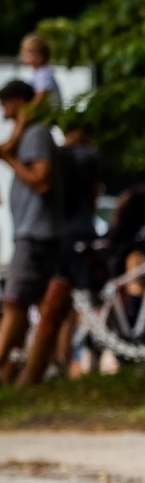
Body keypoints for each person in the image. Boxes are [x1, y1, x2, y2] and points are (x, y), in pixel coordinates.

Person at [0, 80, 61, 385]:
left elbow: (41, 180)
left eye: (7, 104)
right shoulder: (28, 134)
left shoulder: (36, 135)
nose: (4, 111)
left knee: (15, 301)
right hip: (31, 231)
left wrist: (10, 158)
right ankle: (29, 370)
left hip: (35, 233)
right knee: (31, 302)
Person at [19, 34, 58, 108]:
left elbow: (41, 95)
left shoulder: (43, 73)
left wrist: (28, 111)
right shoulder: (39, 72)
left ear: (40, 56)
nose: (23, 55)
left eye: (28, 52)